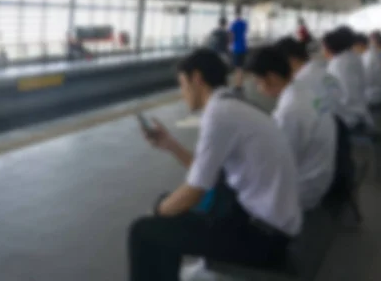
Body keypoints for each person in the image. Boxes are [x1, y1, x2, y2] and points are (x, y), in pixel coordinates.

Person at [129, 49, 302, 281]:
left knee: (142, 230)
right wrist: (170, 144)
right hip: (269, 223)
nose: (182, 93)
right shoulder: (233, 105)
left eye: (182, 84)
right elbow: (206, 172)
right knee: (166, 209)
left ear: (197, 79)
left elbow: (194, 190)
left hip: (264, 238)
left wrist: (157, 214)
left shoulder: (219, 114)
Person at [247, 46, 336, 210]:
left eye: (258, 82)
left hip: (304, 189)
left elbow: (280, 163)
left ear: (272, 78)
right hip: (319, 174)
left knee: (238, 183)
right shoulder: (303, 92)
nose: (258, 89)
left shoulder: (291, 110)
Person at [274, 37, 356, 201]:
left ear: (290, 60)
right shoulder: (321, 71)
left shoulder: (302, 83)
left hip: (328, 149)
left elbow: (287, 149)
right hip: (339, 136)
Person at [322, 27, 372, 131]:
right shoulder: (351, 56)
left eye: (324, 47)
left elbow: (347, 97)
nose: (323, 51)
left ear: (330, 47)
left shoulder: (339, 64)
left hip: (349, 115)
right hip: (356, 108)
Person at [352, 33, 381, 107]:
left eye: (353, 46)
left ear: (359, 44)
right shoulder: (368, 53)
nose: (352, 49)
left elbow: (366, 81)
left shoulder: (369, 58)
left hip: (371, 95)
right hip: (372, 91)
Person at [229, 8, 248, 90]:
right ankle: (241, 84)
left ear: (235, 14)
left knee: (237, 68)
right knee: (241, 67)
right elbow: (244, 32)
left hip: (237, 48)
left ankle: (237, 85)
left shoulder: (234, 24)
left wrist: (230, 44)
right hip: (244, 47)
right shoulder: (244, 23)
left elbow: (232, 36)